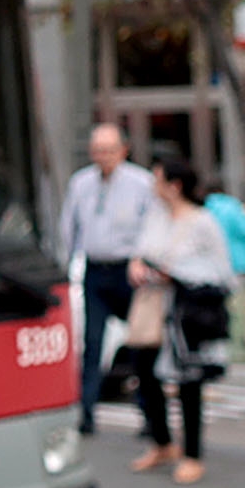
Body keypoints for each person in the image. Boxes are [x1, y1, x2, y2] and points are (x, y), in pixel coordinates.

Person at [120, 151, 234, 486]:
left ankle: (192, 454)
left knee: (189, 382)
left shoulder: (202, 222)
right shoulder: (155, 216)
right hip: (152, 308)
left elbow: (222, 272)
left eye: (157, 179)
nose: (153, 186)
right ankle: (162, 443)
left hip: (186, 313)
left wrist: (179, 274)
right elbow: (139, 251)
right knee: (145, 373)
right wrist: (137, 266)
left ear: (175, 185)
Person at [56, 124, 157, 435]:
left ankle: (150, 414)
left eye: (109, 150)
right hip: (95, 269)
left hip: (129, 270)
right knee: (93, 343)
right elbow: (69, 226)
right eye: (98, 150)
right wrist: (66, 264)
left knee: (141, 343)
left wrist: (142, 258)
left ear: (123, 150)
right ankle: (86, 412)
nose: (103, 157)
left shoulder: (142, 183)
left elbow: (152, 225)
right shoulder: (81, 182)